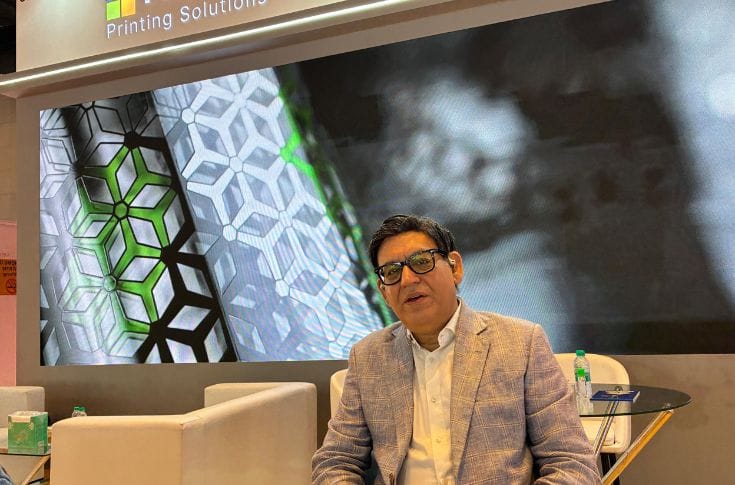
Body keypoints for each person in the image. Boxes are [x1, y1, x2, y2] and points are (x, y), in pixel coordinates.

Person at [312, 214, 600, 484]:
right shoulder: (368, 356)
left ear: (455, 267)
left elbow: (572, 463)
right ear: (384, 292)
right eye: (392, 271)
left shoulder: (521, 342)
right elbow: (336, 460)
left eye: (421, 261)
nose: (408, 279)